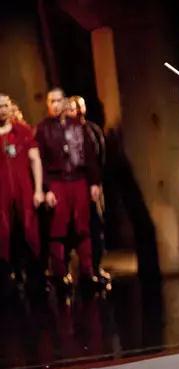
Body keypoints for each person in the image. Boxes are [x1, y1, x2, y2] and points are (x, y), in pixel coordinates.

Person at [35, 88, 101, 293]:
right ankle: (60, 274)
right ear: (47, 104)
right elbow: (40, 161)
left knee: (83, 228)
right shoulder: (43, 129)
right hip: (57, 182)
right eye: (52, 101)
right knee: (57, 229)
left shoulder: (78, 126)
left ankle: (87, 272)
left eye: (59, 100)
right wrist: (46, 189)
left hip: (79, 179)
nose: (56, 105)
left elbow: (89, 154)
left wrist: (94, 183)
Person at [66, 96, 111, 288]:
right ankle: (76, 269)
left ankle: (95, 267)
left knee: (96, 226)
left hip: (92, 186)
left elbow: (101, 155)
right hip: (72, 187)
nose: (77, 111)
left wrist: (96, 182)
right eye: (73, 107)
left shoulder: (92, 129)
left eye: (80, 106)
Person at [0, 94, 44, 289]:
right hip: (2, 193)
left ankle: (35, 276)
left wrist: (38, 189)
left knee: (28, 230)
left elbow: (35, 159)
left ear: (10, 107)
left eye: (5, 105)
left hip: (23, 190)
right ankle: (9, 276)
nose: (2, 110)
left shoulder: (23, 131)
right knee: (4, 233)